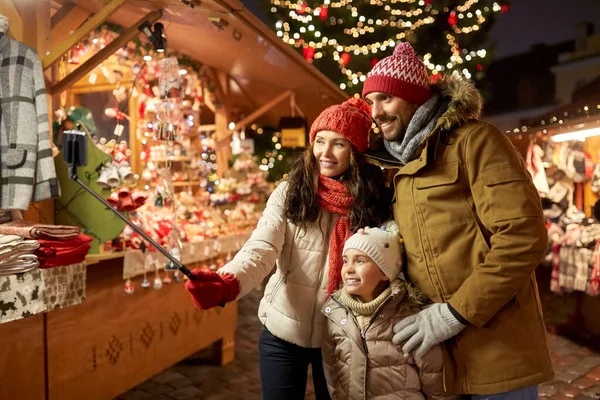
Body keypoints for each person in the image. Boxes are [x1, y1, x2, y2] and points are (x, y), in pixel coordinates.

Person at [361, 42, 554, 398]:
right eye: (370, 102)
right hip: (439, 363)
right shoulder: (396, 165)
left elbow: (523, 237)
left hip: (499, 349)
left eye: (386, 99)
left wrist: (453, 314)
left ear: (415, 98)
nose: (376, 111)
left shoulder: (475, 142)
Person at [185, 98, 392, 400]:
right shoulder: (291, 191)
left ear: (356, 150)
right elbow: (262, 246)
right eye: (320, 140)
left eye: (339, 144)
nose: (325, 152)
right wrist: (228, 282)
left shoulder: (373, 201)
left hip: (342, 335)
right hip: (282, 330)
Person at [322, 222, 456, 400]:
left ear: (385, 272)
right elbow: (332, 374)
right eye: (346, 261)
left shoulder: (409, 315)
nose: (348, 269)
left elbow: (436, 380)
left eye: (360, 261)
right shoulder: (335, 314)